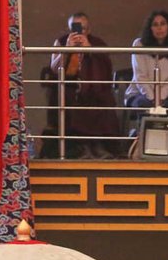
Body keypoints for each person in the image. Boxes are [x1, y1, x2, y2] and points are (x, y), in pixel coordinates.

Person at [48, 12, 121, 158]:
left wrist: (90, 49)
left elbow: (106, 68)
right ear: (69, 29)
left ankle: (98, 146)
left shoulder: (98, 43)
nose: (80, 33)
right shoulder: (61, 41)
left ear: (89, 30)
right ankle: (79, 148)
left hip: (94, 90)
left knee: (103, 101)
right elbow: (54, 69)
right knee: (67, 101)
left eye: (83, 29)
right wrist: (67, 49)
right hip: (69, 88)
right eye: (75, 29)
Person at [124, 10, 168, 130]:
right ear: (150, 28)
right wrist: (153, 98)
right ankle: (143, 139)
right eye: (155, 25)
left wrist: (161, 97)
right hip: (139, 93)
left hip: (165, 95)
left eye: (163, 24)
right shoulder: (139, 44)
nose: (159, 28)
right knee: (145, 106)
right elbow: (140, 77)